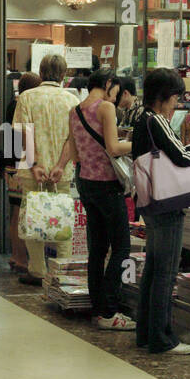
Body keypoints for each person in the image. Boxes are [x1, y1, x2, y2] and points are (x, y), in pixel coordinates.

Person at [133, 68, 190, 355]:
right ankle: (162, 338)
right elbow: (180, 156)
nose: (176, 105)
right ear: (164, 97)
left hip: (150, 200)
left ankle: (145, 332)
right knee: (166, 271)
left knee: (154, 269)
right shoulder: (158, 120)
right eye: (175, 98)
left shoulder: (141, 118)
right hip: (167, 202)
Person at [50, 68, 134, 330]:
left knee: (96, 248)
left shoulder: (74, 111)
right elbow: (114, 148)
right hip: (107, 184)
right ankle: (109, 312)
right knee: (121, 247)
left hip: (86, 182)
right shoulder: (105, 109)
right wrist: (140, 141)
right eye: (116, 89)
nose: (116, 95)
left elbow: (75, 153)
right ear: (109, 83)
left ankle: (98, 309)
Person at [11, 54, 81, 284]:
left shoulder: (27, 97)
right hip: (61, 171)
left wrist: (34, 164)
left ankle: (38, 270)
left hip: (33, 172)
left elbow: (23, 133)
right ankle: (63, 271)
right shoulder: (72, 100)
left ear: (40, 73)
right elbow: (73, 139)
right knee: (62, 220)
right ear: (64, 75)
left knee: (34, 219)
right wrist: (60, 165)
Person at [5, 72, 41, 274]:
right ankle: (20, 257)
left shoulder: (15, 104)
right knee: (19, 211)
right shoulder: (21, 106)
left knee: (17, 211)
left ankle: (16, 255)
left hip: (14, 163)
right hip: (20, 164)